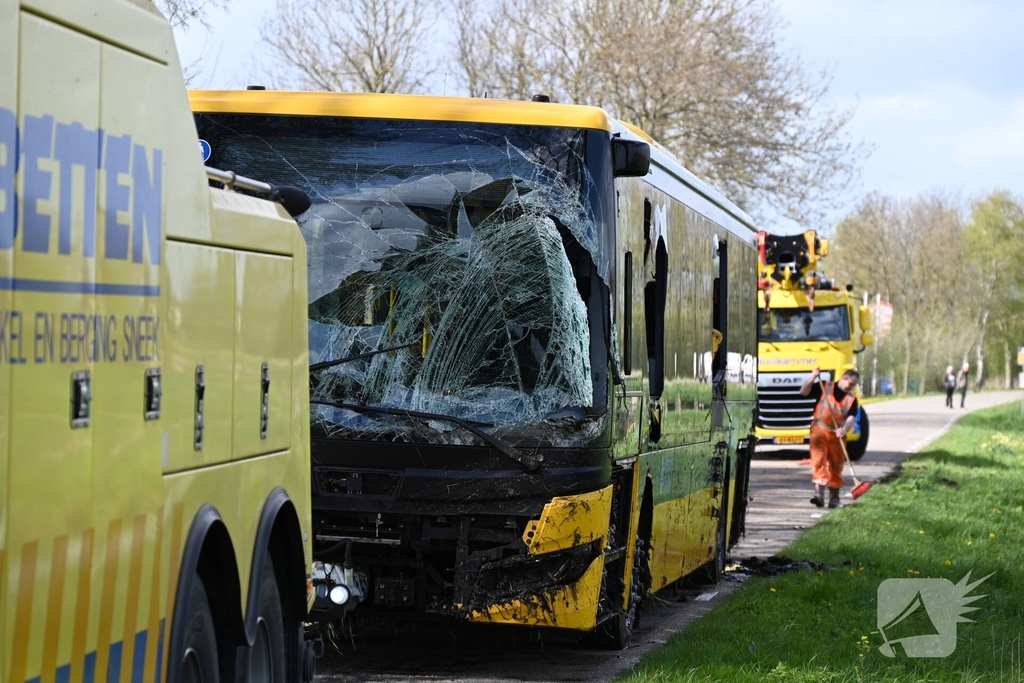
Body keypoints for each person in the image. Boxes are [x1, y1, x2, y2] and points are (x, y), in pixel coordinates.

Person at [799, 368, 860, 509]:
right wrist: (812, 377)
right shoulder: (824, 385)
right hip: (819, 429)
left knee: (836, 466)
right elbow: (803, 391)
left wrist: (844, 429)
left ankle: (834, 499)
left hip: (837, 434)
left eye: (854, 385)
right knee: (818, 461)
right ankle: (818, 495)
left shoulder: (852, 399)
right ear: (844, 378)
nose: (851, 387)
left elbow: (851, 417)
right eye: (850, 384)